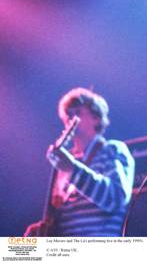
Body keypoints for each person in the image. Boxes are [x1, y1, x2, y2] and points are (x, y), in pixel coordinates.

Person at [24, 88, 135, 237]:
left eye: (77, 113)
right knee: (15, 250)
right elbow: (60, 221)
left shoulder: (112, 149)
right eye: (67, 116)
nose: (70, 120)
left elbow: (116, 199)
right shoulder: (64, 163)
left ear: (96, 117)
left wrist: (72, 169)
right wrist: (42, 231)